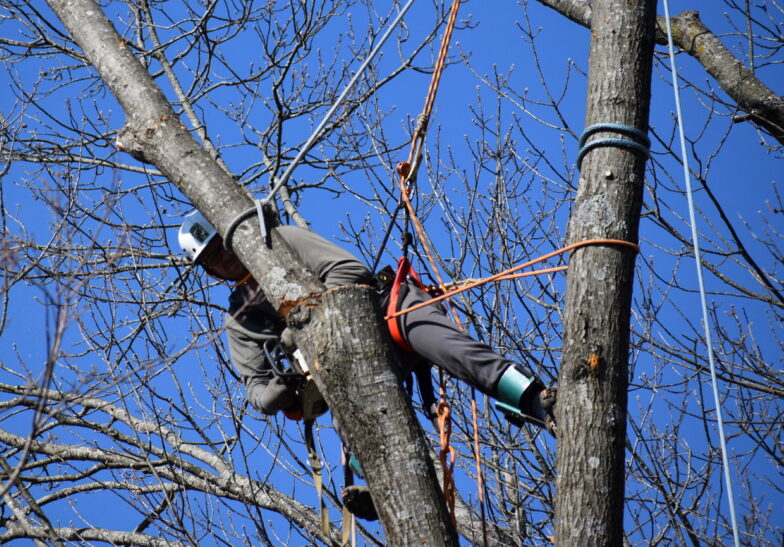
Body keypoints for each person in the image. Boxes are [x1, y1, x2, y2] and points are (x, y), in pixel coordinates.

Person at [178, 210, 555, 517]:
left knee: (443, 343)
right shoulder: (241, 320)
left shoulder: (281, 244)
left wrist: (309, 322)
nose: (224, 258)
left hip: (384, 313)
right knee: (344, 398)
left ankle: (535, 399)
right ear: (208, 271)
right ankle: (377, 484)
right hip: (339, 367)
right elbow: (259, 394)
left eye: (222, 247)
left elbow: (349, 272)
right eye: (212, 258)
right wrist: (293, 375)